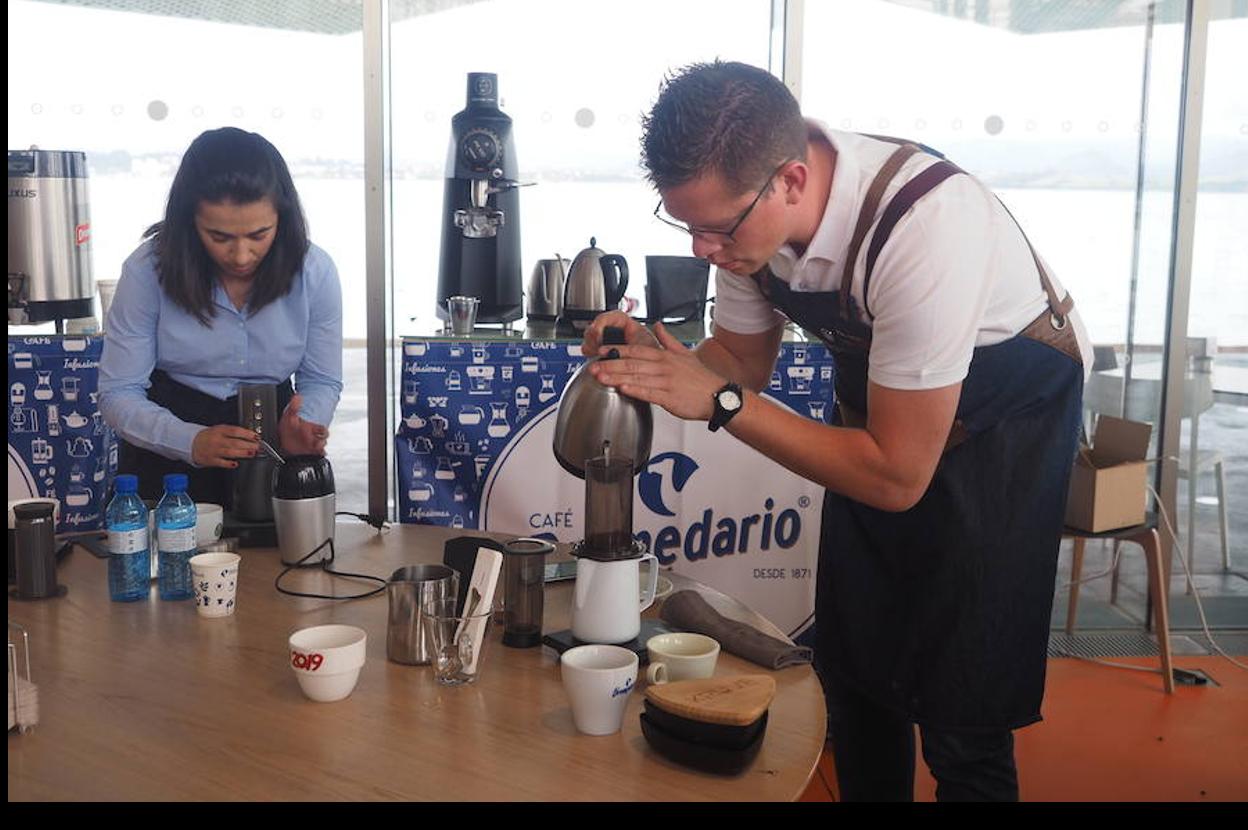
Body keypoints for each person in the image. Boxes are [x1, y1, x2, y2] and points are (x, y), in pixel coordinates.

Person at [583, 61, 1092, 802]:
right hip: (885, 419)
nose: (701, 249)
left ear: (791, 180)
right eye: (686, 225)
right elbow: (738, 364)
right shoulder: (746, 227)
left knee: (962, 705)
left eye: (716, 228)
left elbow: (893, 474)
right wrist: (663, 362)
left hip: (1004, 425)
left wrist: (720, 404)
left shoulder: (924, 226)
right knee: (858, 674)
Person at [100, 127, 343, 508]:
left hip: (273, 438)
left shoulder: (314, 271)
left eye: (259, 234)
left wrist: (304, 426)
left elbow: (322, 379)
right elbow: (118, 393)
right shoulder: (148, 270)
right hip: (166, 440)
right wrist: (188, 440)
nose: (242, 255)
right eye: (219, 237)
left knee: (284, 564)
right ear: (188, 222)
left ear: (282, 215)